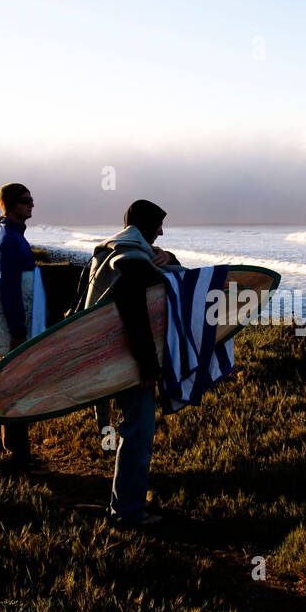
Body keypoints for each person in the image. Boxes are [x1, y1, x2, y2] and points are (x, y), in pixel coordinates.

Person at [76, 200, 182, 527]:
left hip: (110, 356)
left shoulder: (112, 250)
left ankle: (128, 500)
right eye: (159, 225)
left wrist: (170, 257)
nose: (162, 231)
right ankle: (126, 513)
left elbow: (161, 274)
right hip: (126, 359)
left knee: (133, 432)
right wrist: (149, 367)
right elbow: (135, 312)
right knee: (137, 434)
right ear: (145, 224)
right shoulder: (131, 259)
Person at [0, 182, 36, 468]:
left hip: (14, 328)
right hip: (13, 331)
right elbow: (9, 291)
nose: (32, 204)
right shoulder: (9, 240)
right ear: (8, 204)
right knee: (14, 388)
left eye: (32, 199)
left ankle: (5, 446)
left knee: (8, 385)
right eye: (25, 200)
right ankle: (16, 454)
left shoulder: (13, 235)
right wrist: (18, 333)